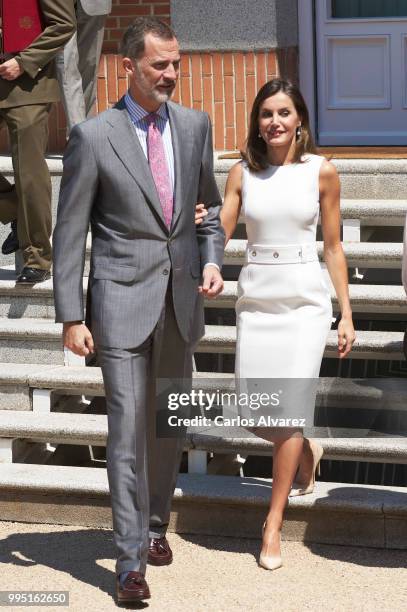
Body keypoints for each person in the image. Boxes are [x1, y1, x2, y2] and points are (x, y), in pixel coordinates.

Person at [52, 16, 224, 605]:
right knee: (126, 433)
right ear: (128, 67)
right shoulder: (94, 136)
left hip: (180, 303)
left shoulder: (196, 127)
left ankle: (154, 527)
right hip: (119, 305)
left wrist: (212, 258)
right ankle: (128, 564)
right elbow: (69, 230)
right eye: (159, 65)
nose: (172, 74)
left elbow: (210, 213)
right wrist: (72, 316)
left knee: (167, 425)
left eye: (176, 64)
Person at [221, 78, 355, 570]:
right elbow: (221, 230)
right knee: (257, 412)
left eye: (283, 112)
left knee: (288, 411)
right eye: (266, 114)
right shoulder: (241, 173)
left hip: (304, 301)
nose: (274, 122)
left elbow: (334, 247)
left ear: (299, 120)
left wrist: (345, 310)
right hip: (257, 299)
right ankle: (303, 455)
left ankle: (272, 523)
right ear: (257, 122)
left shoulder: (323, 171)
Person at [0, 0, 75, 283]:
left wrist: (24, 61)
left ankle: (38, 257)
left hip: (27, 85)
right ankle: (15, 211)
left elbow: (63, 24)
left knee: (28, 172)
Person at [56, 0, 112, 133]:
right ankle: (78, 135)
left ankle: (85, 131)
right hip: (57, 5)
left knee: (90, 65)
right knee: (65, 64)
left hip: (95, 4)